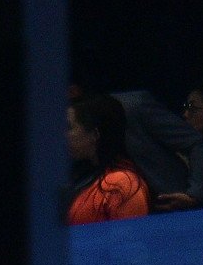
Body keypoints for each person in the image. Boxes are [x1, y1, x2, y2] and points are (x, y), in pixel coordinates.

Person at [111, 89, 203, 213]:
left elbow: (197, 143)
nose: (185, 114)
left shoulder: (133, 107)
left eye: (192, 108)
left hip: (170, 209)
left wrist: (194, 195)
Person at [64, 94, 151, 225]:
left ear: (95, 134)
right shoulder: (78, 176)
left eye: (68, 127)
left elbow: (129, 242)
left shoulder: (122, 183)